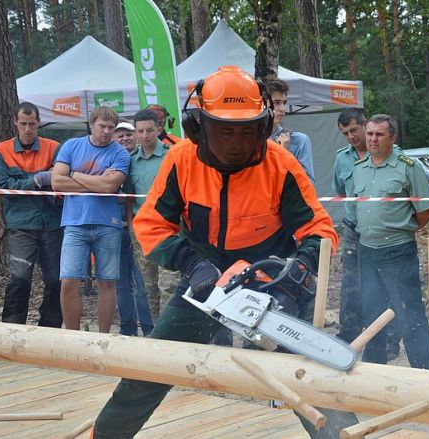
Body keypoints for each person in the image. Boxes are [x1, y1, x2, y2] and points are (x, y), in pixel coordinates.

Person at [91, 65, 358, 438]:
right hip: (205, 281)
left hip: (267, 283)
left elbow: (319, 228)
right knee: (150, 367)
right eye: (225, 131)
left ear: (263, 127)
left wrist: (302, 265)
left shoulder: (281, 166)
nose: (235, 141)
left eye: (246, 131)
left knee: (307, 378)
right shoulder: (181, 161)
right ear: (198, 127)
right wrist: (190, 262)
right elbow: (150, 223)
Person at [352, 114, 429, 369]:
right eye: (370, 134)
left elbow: (425, 210)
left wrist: (401, 230)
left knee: (410, 311)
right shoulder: (359, 168)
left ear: (392, 137)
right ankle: (374, 369)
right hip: (367, 250)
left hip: (398, 251)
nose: (373, 139)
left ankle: (423, 369)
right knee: (372, 311)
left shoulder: (408, 167)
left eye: (379, 134)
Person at [52, 107, 130, 333]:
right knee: (68, 282)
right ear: (91, 125)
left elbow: (109, 186)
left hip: (109, 224)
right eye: (102, 126)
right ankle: (73, 337)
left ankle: (103, 337)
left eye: (111, 128)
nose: (106, 131)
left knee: (106, 282)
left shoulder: (120, 153)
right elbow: (57, 182)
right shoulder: (71, 145)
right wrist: (95, 181)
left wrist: (75, 175)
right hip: (74, 223)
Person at [333, 108, 401, 360]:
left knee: (388, 286)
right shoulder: (342, 158)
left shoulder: (394, 155)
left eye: (353, 130)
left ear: (364, 124)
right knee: (351, 286)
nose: (351, 136)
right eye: (345, 133)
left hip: (386, 232)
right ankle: (348, 336)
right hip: (354, 228)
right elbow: (339, 189)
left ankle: (391, 341)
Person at [0, 102, 63, 328]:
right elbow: (5, 187)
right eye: (23, 124)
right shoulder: (0, 151)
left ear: (39, 123)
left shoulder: (54, 147)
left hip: (52, 223)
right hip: (21, 226)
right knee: (20, 278)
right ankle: (11, 329)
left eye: (32, 124)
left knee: (55, 280)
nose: (27, 128)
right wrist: (36, 180)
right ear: (15, 123)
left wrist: (28, 183)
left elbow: (59, 180)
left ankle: (51, 329)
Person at [124, 109, 179, 320]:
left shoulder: (171, 155)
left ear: (159, 129)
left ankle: (169, 334)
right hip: (141, 231)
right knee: (149, 286)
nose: (145, 135)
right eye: (140, 131)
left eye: (149, 130)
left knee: (169, 285)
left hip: (169, 230)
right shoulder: (131, 160)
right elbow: (129, 196)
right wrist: (131, 226)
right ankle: (157, 331)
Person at [113, 120, 154, 336]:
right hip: (112, 226)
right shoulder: (108, 158)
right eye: (119, 135)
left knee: (143, 282)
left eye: (128, 134)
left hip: (139, 226)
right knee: (121, 283)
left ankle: (149, 329)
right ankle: (127, 329)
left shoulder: (140, 160)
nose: (125, 138)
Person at [266, 79, 316, 183]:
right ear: (262, 104)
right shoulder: (251, 142)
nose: (282, 108)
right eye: (276, 103)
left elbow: (307, 185)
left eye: (284, 103)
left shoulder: (299, 140)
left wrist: (285, 155)